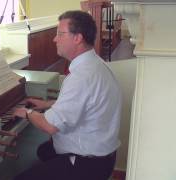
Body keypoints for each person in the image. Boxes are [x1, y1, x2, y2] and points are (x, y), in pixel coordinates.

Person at [13, 10, 122, 180]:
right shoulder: (96, 63)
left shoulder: (81, 77)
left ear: (77, 38)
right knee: (43, 151)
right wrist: (48, 104)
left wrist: (27, 113)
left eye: (60, 34)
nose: (55, 39)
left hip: (88, 166)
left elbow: (49, 126)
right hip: (105, 157)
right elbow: (85, 102)